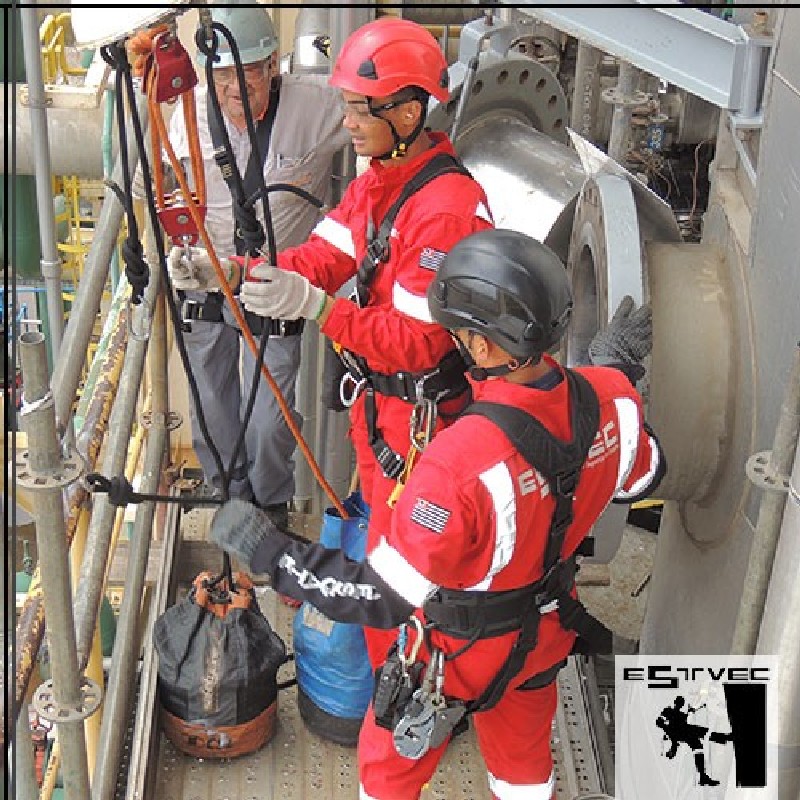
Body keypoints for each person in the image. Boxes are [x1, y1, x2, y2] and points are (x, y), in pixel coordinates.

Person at [209, 228, 665, 800]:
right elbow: (645, 475)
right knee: (524, 771)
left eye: (458, 334)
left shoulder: (456, 466)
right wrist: (615, 374)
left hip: (456, 657)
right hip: (546, 630)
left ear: (481, 347)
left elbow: (380, 596)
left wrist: (274, 553)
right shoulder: (614, 400)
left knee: (388, 772)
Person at [235, 16, 494, 664]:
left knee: (406, 577)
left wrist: (320, 310)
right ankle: (399, 670)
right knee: (389, 562)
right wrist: (243, 275)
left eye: (359, 109)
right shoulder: (380, 182)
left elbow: (416, 345)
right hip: (385, 420)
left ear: (407, 112)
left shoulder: (444, 212)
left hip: (422, 431)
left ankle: (414, 681)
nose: (347, 122)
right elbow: (325, 254)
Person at [165, 5, 348, 531]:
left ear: (273, 66)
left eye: (247, 74)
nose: (234, 92)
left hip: (274, 286)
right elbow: (154, 181)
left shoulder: (315, 108)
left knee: (269, 420)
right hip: (206, 278)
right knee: (212, 407)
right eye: (223, 76)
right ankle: (229, 494)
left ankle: (270, 505)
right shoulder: (190, 116)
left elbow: (371, 113)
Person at [656, 695, 732, 786]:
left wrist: (689, 712)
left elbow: (681, 719)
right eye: (680, 702)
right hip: (681, 733)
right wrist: (667, 729)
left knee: (699, 745)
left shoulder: (676, 713)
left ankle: (703, 777)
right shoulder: (668, 711)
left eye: (682, 703)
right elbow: (660, 722)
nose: (681, 705)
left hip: (684, 732)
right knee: (703, 734)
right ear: (676, 703)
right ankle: (726, 738)